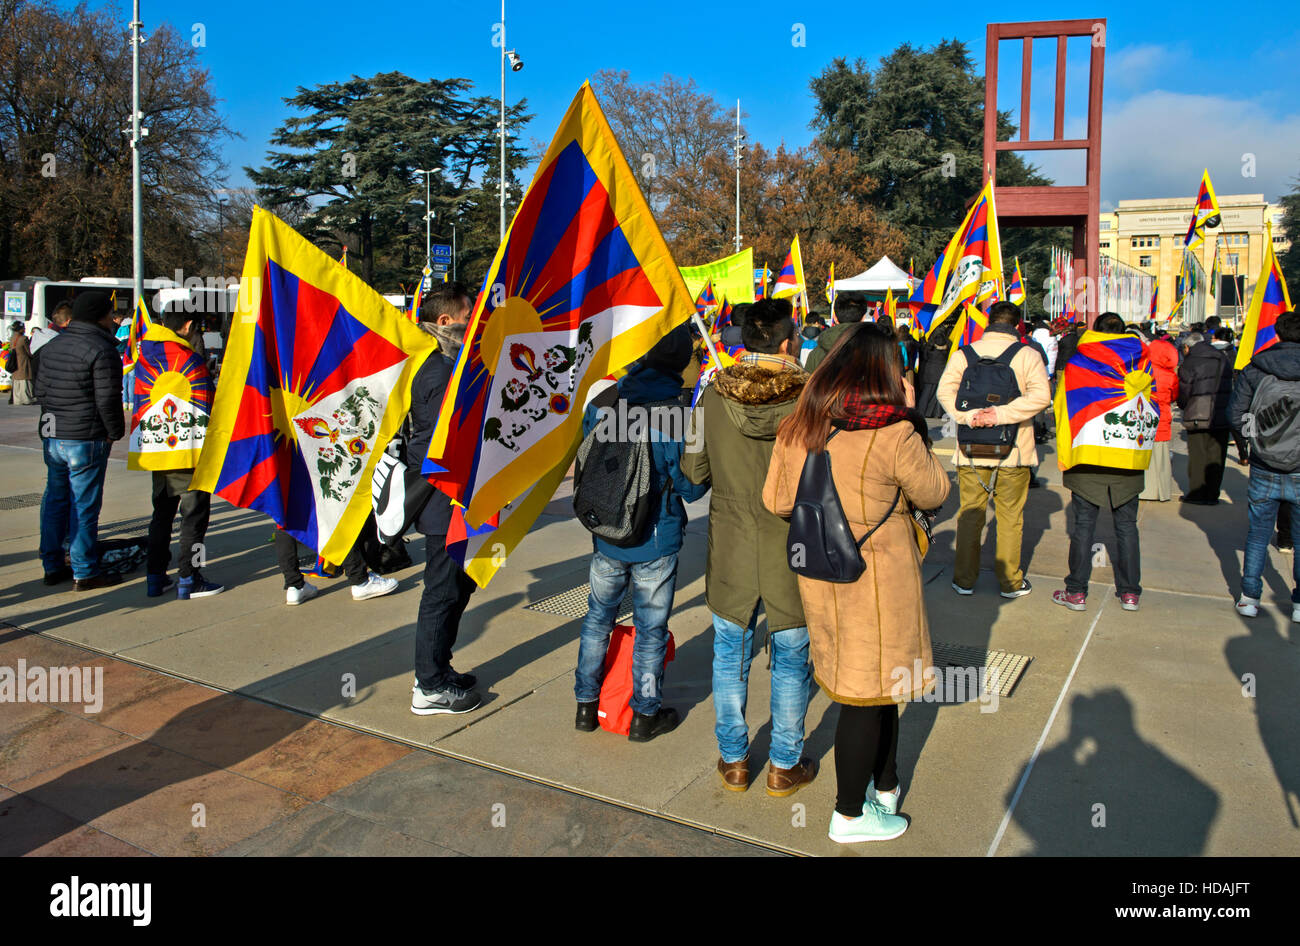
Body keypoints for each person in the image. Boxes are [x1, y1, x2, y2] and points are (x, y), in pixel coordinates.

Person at [763, 322, 949, 843]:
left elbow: (777, 502)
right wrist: (912, 415)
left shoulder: (799, 426)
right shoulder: (895, 432)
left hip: (823, 573)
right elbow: (935, 493)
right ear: (887, 374)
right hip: (880, 581)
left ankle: (884, 787)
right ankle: (848, 814)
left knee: (874, 688)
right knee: (866, 695)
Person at [682, 296, 817, 797]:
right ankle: (784, 763)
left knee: (728, 654)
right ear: (787, 341)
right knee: (790, 656)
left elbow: (694, 474)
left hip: (733, 542)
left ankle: (734, 760)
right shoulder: (812, 398)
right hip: (795, 542)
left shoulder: (714, 394)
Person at [573, 324, 708, 741]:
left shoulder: (603, 401)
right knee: (651, 629)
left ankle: (585, 705)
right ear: (680, 361)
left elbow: (588, 461)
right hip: (656, 537)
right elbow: (692, 486)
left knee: (598, 619)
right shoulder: (683, 415)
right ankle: (645, 714)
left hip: (606, 532)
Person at [937, 300, 1051, 598]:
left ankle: (963, 580)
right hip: (1013, 450)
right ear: (1017, 326)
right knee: (1010, 517)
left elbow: (944, 391)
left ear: (989, 322)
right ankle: (1010, 582)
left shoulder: (966, 353)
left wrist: (968, 416)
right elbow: (1041, 396)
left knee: (970, 513)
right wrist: (1000, 415)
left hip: (970, 448)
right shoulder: (1028, 354)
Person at [406, 282, 482, 715]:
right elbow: (427, 448)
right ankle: (428, 686)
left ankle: (441, 668)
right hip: (445, 506)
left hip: (461, 503)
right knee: (440, 593)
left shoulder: (455, 365)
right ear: (445, 322)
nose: (475, 320)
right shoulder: (437, 372)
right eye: (468, 314)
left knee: (457, 591)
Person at [1052, 313, 1152, 613]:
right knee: (1127, 526)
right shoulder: (1141, 361)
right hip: (1127, 454)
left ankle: (1076, 592)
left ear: (1094, 332)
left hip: (1088, 452)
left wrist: (1065, 452)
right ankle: (1130, 593)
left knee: (1083, 526)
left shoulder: (1080, 363)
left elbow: (1062, 407)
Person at [33, 290, 125, 590]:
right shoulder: (101, 349)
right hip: (85, 436)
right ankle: (84, 571)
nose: (113, 318)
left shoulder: (51, 346)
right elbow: (108, 398)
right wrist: (114, 431)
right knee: (83, 506)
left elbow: (41, 391)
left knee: (56, 500)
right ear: (101, 316)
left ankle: (52, 563)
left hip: (55, 433)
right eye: (110, 313)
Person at [134, 302, 225, 599]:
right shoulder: (188, 359)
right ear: (186, 326)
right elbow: (207, 402)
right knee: (194, 518)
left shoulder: (144, 354)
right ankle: (190, 576)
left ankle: (154, 576)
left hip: (155, 450)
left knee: (161, 515)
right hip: (188, 452)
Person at [1230, 309, 1300, 621]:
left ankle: (1248, 597)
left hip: (1263, 464)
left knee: (1257, 535)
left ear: (1278, 333)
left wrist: (1254, 441)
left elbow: (1235, 414)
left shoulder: (1256, 368)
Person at [1178, 330, 1233, 504]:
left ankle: (1197, 494)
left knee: (1197, 456)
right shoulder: (1222, 357)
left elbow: (1184, 391)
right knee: (1216, 456)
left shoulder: (1190, 362)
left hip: (1197, 413)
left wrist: (1183, 405)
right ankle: (1212, 494)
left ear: (1187, 347)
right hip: (1221, 413)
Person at [1139, 327, 1180, 502]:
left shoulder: (1142, 371)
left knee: (1144, 457)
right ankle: (1162, 492)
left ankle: (1145, 490)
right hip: (1162, 419)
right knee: (1162, 458)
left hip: (1143, 418)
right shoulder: (1170, 376)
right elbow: (1174, 397)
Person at [803, 293, 868, 373]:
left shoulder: (816, 355)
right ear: (863, 318)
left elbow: (807, 383)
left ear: (835, 318)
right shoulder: (875, 352)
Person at [7, 322, 35, 405]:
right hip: (23, 362)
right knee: (24, 381)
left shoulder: (12, 338)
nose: (25, 329)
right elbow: (29, 352)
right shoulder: (23, 338)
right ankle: (26, 399)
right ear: (20, 329)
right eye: (24, 328)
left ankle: (17, 399)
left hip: (15, 362)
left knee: (16, 381)